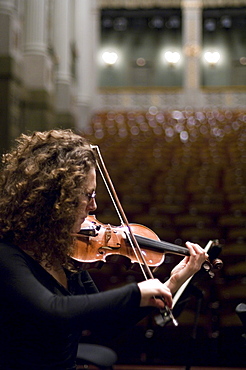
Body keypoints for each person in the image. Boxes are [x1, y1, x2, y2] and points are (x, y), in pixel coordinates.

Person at [0, 129, 208, 370]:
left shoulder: (62, 253)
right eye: (87, 195)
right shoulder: (7, 256)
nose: (94, 205)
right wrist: (135, 292)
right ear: (55, 198)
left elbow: (106, 326)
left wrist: (171, 283)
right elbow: (52, 310)